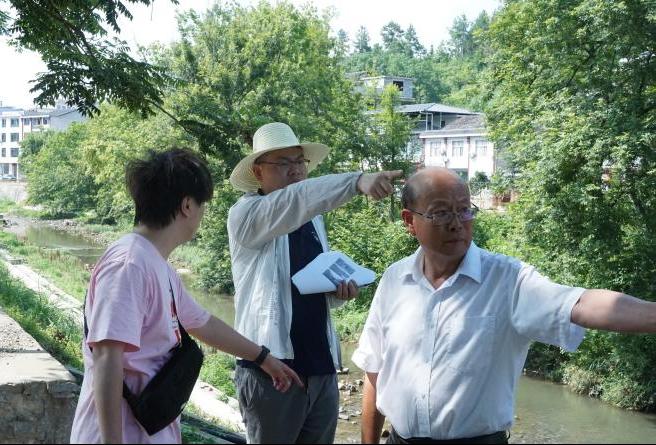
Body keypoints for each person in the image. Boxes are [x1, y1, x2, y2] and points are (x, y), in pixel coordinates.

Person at [353, 167, 656, 444]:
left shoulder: (508, 280)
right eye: (441, 213)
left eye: (464, 210)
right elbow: (374, 368)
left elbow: (580, 303)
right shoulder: (395, 279)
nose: (457, 224)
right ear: (410, 221)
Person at [70, 149, 302, 444]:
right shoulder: (128, 264)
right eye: (202, 205)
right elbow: (107, 358)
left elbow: (202, 322)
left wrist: (263, 358)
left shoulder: (155, 262)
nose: (202, 214)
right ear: (188, 205)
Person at [227, 122, 402, 444]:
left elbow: (302, 285)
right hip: (271, 366)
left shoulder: (312, 217)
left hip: (320, 365)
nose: (295, 170)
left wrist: (337, 293)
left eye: (299, 161)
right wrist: (357, 181)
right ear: (258, 171)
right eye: (283, 162)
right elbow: (296, 200)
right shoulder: (247, 215)